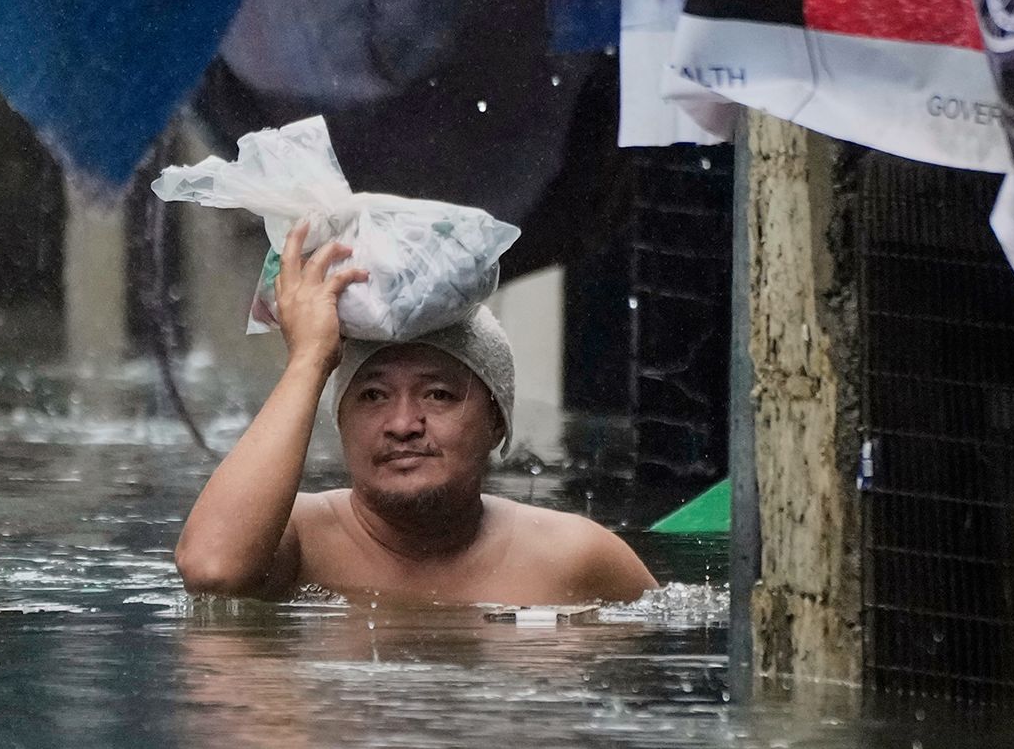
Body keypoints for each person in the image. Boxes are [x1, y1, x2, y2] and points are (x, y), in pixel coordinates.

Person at [176, 223, 659, 605]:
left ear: (497, 421)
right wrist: (309, 360)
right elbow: (211, 570)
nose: (404, 424)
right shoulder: (301, 544)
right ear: (339, 421)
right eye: (372, 396)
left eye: (439, 396)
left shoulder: (575, 560)